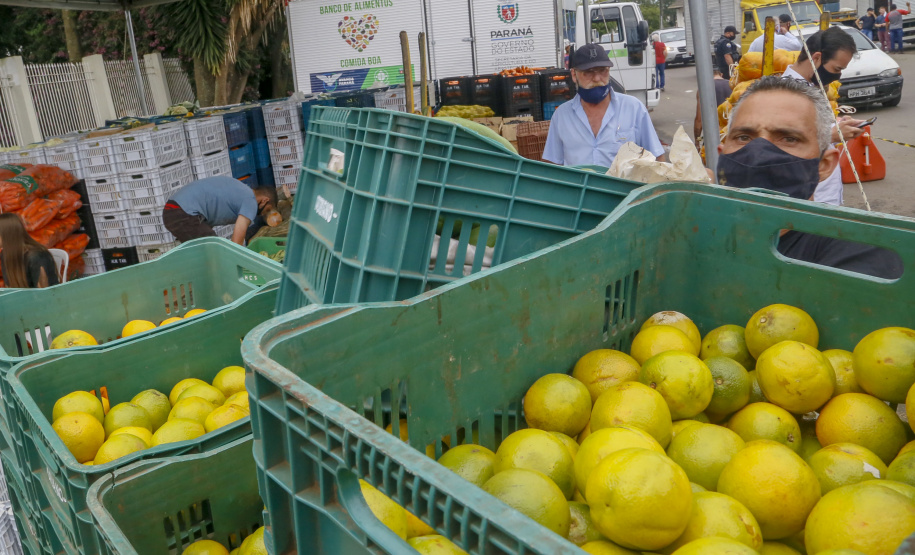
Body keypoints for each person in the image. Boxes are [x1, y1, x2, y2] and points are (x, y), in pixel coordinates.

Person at [717, 76, 902, 279]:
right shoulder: (691, 227)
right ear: (721, 152)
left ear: (824, 165)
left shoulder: (862, 250)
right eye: (743, 137)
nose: (758, 153)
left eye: (788, 138)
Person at [543, 43, 665, 167]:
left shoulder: (634, 108)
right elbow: (552, 165)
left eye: (602, 70)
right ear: (574, 75)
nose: (597, 78)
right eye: (589, 72)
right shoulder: (562, 116)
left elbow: (657, 158)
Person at [783, 27, 864, 206]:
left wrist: (837, 125)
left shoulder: (811, 88)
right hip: (808, 202)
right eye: (836, 68)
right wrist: (831, 135)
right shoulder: (785, 94)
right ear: (816, 58)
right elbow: (784, 144)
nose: (837, 75)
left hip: (825, 197)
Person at [163, 176, 278, 246]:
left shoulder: (241, 191)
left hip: (174, 210)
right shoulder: (251, 201)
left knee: (202, 247)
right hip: (181, 212)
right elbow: (237, 239)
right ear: (264, 201)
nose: (263, 214)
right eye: (267, 210)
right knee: (214, 248)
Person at [0, 213, 59, 288]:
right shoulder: (5, 254)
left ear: (7, 234)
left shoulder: (36, 256)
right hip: (21, 298)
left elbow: (45, 294)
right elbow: (9, 288)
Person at [693, 68, 733, 148]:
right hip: (732, 134)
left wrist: (697, 142)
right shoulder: (733, 85)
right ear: (721, 74)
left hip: (713, 137)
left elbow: (699, 119)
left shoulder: (704, 89)